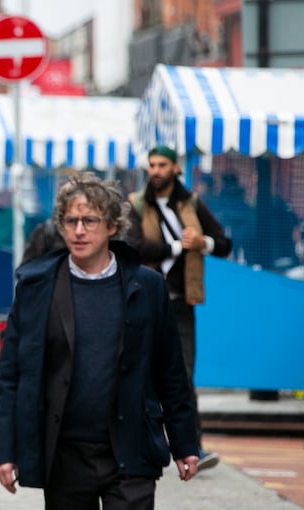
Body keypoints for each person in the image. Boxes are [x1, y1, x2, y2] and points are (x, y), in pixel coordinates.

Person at [0, 173, 200, 510]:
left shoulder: (145, 286)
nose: (78, 230)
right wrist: (5, 450)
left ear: (112, 226)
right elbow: (12, 371)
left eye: (89, 221)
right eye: (70, 220)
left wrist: (185, 441)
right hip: (66, 456)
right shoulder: (37, 284)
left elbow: (170, 371)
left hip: (130, 452)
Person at [125, 145, 232, 471]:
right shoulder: (136, 205)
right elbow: (134, 246)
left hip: (182, 304)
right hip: (144, 303)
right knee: (138, 372)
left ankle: (191, 447)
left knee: (182, 376)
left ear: (175, 169)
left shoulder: (192, 203)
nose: (155, 170)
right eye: (152, 165)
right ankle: (137, 442)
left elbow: (223, 244)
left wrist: (203, 244)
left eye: (162, 165)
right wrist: (176, 245)